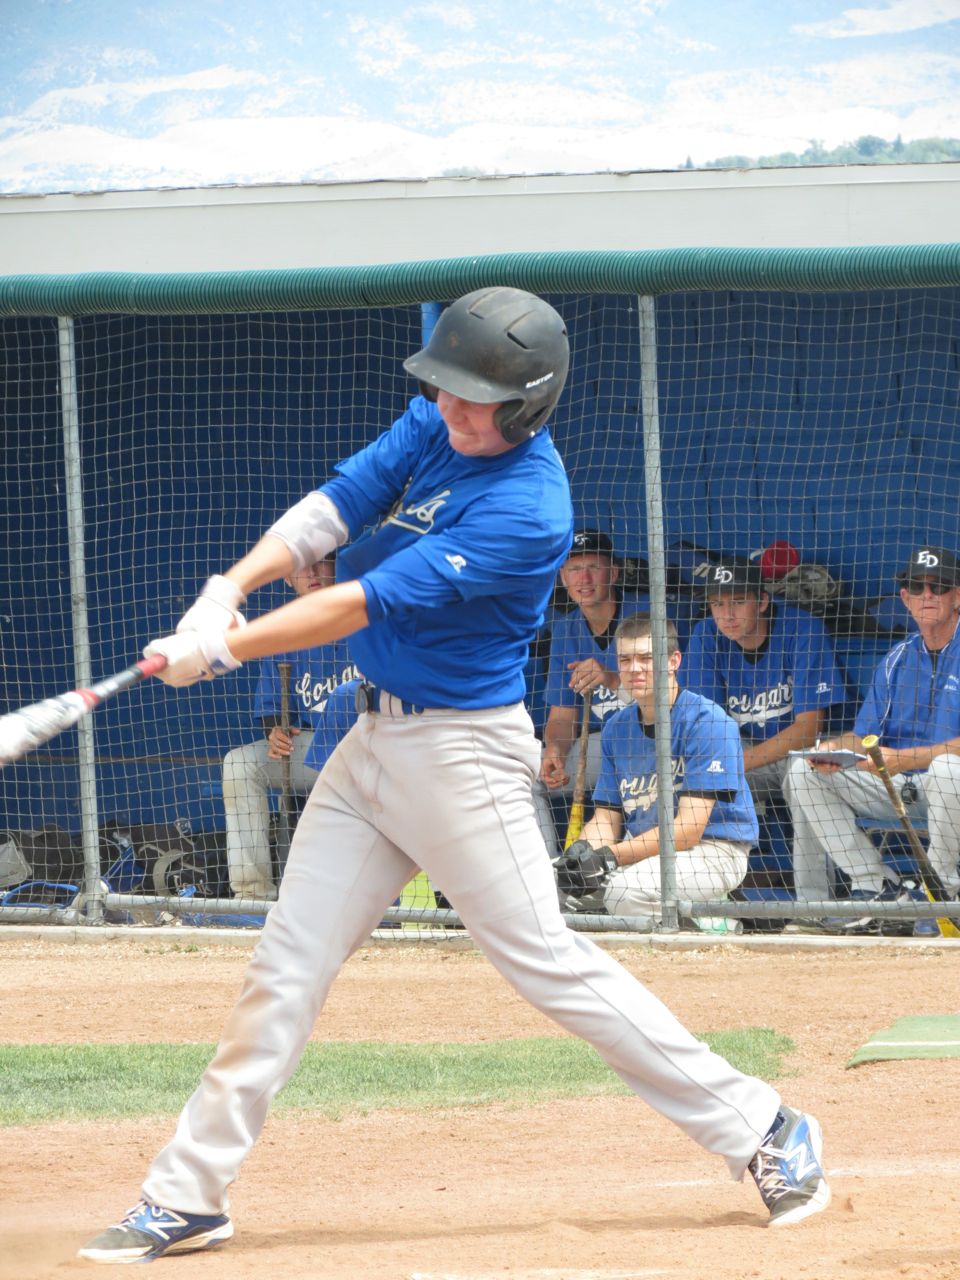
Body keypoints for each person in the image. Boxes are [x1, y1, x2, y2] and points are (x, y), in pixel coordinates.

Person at [78, 287, 828, 1265]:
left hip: (463, 756)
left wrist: (224, 647)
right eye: (445, 390)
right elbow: (335, 507)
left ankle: (766, 1127)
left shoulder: (529, 507)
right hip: (369, 742)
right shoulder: (438, 418)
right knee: (285, 967)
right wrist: (227, 588)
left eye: (474, 399)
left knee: (547, 964)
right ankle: (188, 1195)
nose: (451, 409)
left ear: (526, 405)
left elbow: (361, 600)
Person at [786, 544, 960, 932]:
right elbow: (864, 735)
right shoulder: (897, 659)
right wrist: (832, 749)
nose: (928, 595)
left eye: (939, 586)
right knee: (803, 772)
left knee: (948, 770)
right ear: (905, 598)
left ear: (957, 596)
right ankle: (878, 886)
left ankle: (941, 893)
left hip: (951, 787)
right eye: (917, 587)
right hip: (901, 785)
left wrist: (904, 759)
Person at [556, 613, 756, 926]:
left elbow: (688, 830)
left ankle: (710, 929)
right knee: (540, 886)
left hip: (714, 851)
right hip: (640, 853)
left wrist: (609, 857)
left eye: (646, 658)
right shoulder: (616, 729)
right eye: (625, 659)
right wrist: (583, 852)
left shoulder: (708, 723)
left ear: (674, 661)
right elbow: (607, 818)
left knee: (624, 892)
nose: (634, 668)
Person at [680, 558, 845, 900]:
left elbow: (808, 730)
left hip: (805, 752)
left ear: (763, 601)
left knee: (804, 777)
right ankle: (702, 896)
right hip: (745, 753)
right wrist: (721, 765)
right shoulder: (706, 635)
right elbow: (706, 727)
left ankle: (816, 906)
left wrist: (732, 764)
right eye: (717, 603)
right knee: (683, 777)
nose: (727, 614)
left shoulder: (802, 629)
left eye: (738, 601)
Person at [534, 531, 690, 856]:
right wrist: (555, 750)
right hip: (601, 748)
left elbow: (673, 703)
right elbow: (562, 716)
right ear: (562, 577)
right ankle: (548, 874)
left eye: (594, 567)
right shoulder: (566, 629)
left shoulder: (647, 616)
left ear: (614, 573)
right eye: (574, 569)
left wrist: (611, 678)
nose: (584, 579)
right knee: (524, 777)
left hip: (656, 742)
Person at [222, 554, 360, 900]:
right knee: (240, 764)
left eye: (321, 562)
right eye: (302, 565)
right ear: (287, 578)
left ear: (337, 564)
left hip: (372, 748)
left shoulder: (365, 613)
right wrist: (275, 732)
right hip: (317, 749)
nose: (311, 572)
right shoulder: (286, 630)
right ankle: (252, 895)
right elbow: (271, 708)